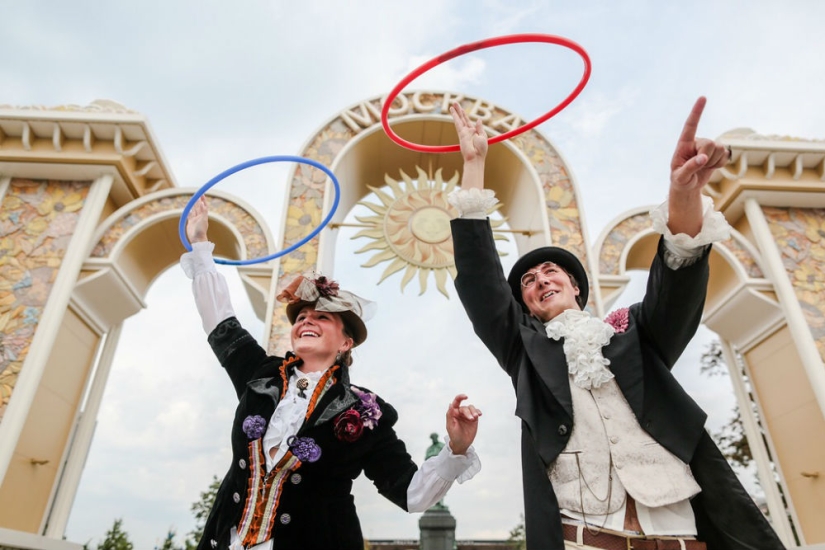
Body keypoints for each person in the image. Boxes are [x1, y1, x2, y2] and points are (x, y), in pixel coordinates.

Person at [448, 98, 784, 550]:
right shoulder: (523, 350)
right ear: (525, 307)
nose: (540, 279)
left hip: (680, 538)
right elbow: (481, 283)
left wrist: (684, 194)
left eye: (552, 272)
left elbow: (677, 284)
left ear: (576, 288)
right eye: (528, 280)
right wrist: (474, 165)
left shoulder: (635, 336)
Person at [181, 197, 482, 550]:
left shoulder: (364, 412)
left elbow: (411, 493)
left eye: (322, 317)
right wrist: (200, 244)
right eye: (302, 317)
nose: (307, 320)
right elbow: (220, 320)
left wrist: (457, 448)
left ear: (346, 343)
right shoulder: (259, 375)